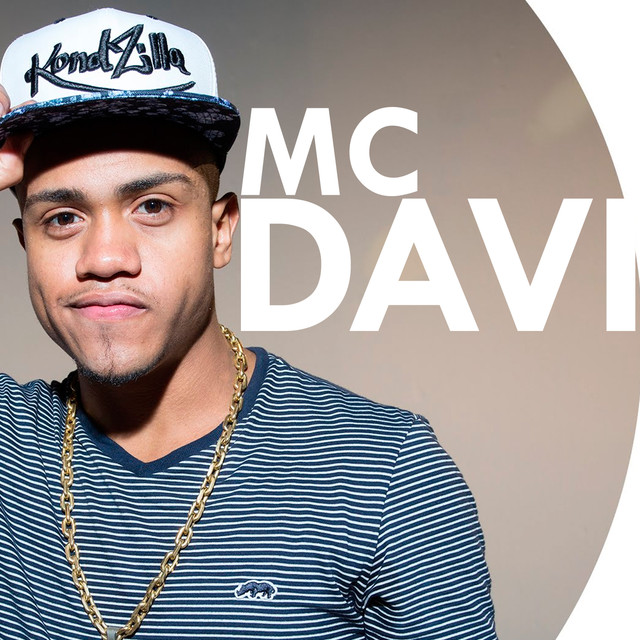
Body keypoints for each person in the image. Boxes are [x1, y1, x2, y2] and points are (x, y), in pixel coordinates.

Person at [0, 8, 497, 640]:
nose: (105, 258)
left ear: (220, 231)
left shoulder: (386, 472)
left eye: (152, 206)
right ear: (25, 242)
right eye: (62, 218)